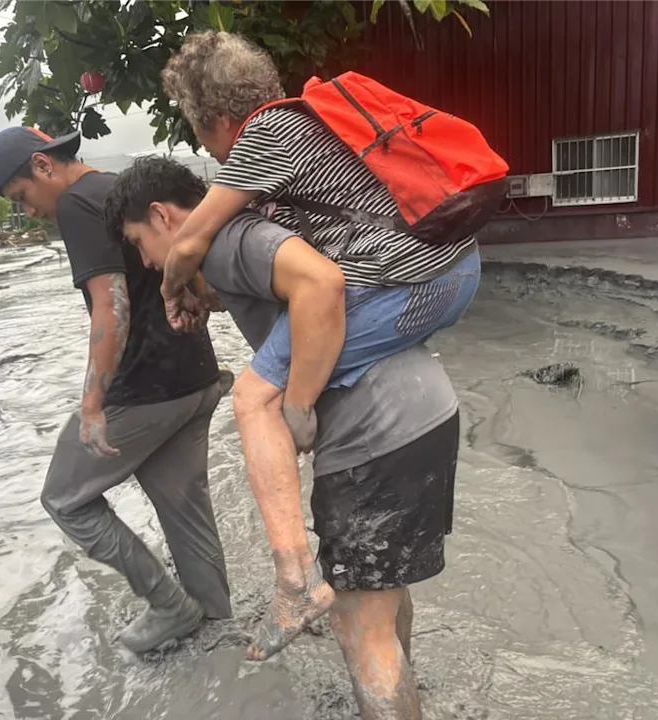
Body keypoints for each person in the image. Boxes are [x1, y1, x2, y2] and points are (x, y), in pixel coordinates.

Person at [154, 30, 482, 658]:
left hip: (409, 282)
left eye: (203, 135)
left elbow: (192, 241)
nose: (211, 152)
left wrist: (175, 288)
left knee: (255, 400)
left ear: (219, 119)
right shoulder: (317, 125)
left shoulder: (265, 135)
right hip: (458, 268)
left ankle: (293, 582)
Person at [103, 156, 462, 719]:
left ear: (162, 216)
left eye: (139, 243)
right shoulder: (246, 237)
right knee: (381, 605)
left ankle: (296, 585)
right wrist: (210, 296)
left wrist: (294, 407)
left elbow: (323, 282)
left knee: (360, 632)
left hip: (376, 435)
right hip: (428, 413)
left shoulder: (225, 240)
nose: (149, 263)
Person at [0, 127, 232, 653]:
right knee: (183, 506)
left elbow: (111, 306)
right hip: (196, 378)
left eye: (22, 196)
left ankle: (169, 606)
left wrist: (92, 403)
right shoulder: (122, 189)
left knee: (64, 500)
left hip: (145, 390)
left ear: (44, 166)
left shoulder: (76, 203)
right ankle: (218, 631)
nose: (27, 212)